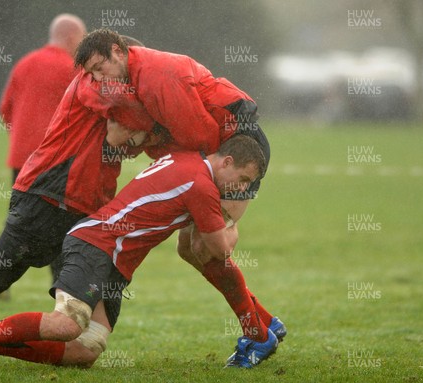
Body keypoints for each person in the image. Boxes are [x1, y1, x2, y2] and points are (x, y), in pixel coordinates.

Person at [0, 135, 278, 370]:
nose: (241, 188)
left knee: (85, 350)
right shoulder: (201, 186)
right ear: (226, 161)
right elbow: (218, 249)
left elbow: (191, 246)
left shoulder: (184, 160)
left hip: (112, 263)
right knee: (65, 324)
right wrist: (233, 224)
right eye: (243, 180)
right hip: (95, 245)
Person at [0, 36, 154, 366]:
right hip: (45, 197)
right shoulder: (91, 83)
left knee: (86, 320)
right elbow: (128, 121)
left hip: (83, 212)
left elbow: (128, 138)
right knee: (0, 277)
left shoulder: (113, 89)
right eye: (133, 68)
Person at [73, 29, 286, 365]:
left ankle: (258, 335)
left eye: (101, 69)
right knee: (188, 249)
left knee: (207, 247)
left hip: (238, 150)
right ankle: (264, 320)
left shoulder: (157, 78)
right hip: (219, 149)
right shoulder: (134, 77)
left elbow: (203, 137)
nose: (99, 79)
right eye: (92, 75)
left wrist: (149, 140)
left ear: (120, 53)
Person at [0, 15, 86, 294]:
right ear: (72, 38)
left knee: (17, 220)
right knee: (60, 223)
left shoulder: (25, 63)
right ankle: (61, 285)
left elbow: (5, 109)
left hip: (21, 159)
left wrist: (22, 139)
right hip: (54, 162)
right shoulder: (73, 68)